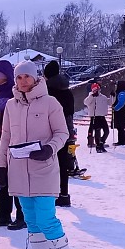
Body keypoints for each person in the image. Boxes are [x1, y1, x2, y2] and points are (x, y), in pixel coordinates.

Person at [0, 60, 75, 249]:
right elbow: (6, 138)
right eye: (19, 78)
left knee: (47, 219)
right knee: (30, 219)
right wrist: (0, 166)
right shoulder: (11, 105)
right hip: (19, 170)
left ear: (36, 78)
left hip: (44, 170)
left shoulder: (51, 103)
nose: (22, 81)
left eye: (26, 77)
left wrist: (50, 148)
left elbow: (62, 132)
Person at [0, 59, 24, 230]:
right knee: (3, 179)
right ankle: (3, 214)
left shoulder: (14, 93)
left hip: (15, 140)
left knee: (17, 180)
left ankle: (22, 215)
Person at [43, 61, 76, 208]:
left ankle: (52, 193)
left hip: (50, 130)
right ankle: (64, 194)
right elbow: (70, 111)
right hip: (66, 130)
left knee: (50, 163)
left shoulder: (48, 91)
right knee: (63, 163)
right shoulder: (67, 90)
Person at [84, 83, 111, 153]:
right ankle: (98, 146)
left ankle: (101, 142)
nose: (97, 91)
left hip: (102, 116)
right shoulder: (91, 96)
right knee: (97, 131)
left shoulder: (103, 97)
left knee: (106, 131)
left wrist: (112, 96)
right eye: (95, 90)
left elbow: (110, 102)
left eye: (98, 89)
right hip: (95, 117)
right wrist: (92, 96)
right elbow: (86, 102)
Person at [112, 81, 125, 146]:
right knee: (119, 127)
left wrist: (115, 108)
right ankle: (121, 140)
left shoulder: (122, 93)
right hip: (119, 112)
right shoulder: (118, 92)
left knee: (121, 127)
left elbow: (121, 103)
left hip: (121, 112)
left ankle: (123, 141)